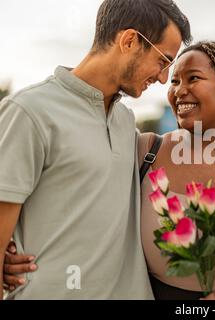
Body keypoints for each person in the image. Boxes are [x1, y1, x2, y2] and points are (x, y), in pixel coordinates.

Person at [4, 42, 215, 300]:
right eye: (175, 81)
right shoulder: (144, 150)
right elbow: (67, 183)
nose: (178, 90)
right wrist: (10, 247)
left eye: (193, 78)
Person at [0, 0, 191, 299]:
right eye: (163, 61)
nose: (163, 77)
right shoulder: (28, 112)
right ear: (129, 41)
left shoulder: (126, 122)